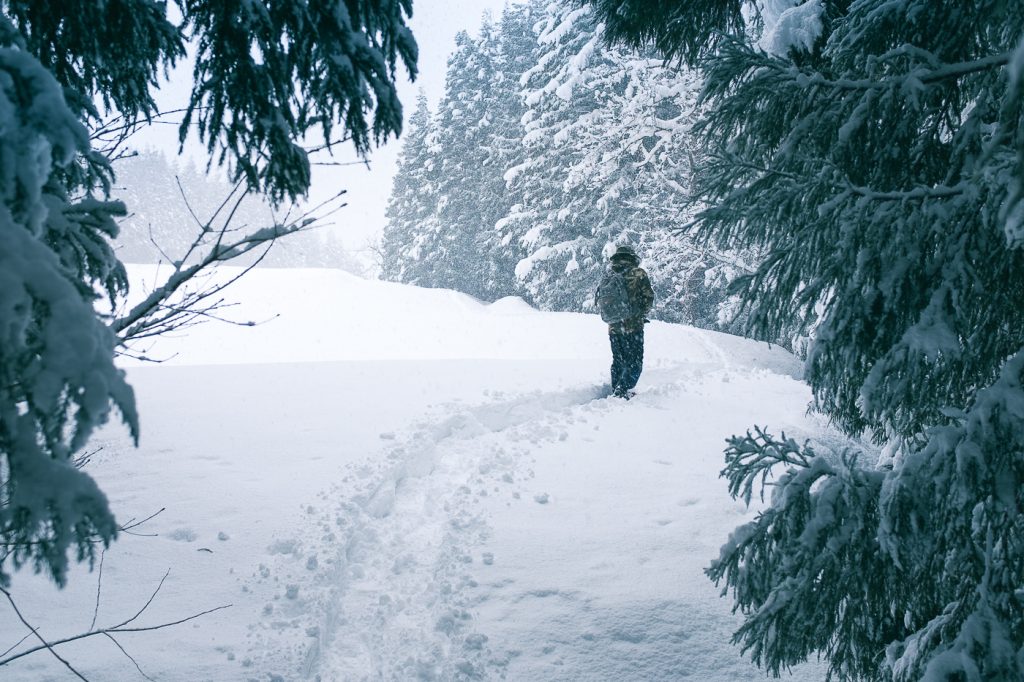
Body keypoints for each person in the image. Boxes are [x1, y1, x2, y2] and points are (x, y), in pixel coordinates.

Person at [595, 244, 655, 399]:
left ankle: (617, 388)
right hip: (633, 327)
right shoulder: (638, 273)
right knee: (635, 361)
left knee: (618, 360)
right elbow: (648, 298)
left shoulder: (609, 274)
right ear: (632, 258)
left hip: (614, 328)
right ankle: (623, 390)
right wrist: (641, 314)